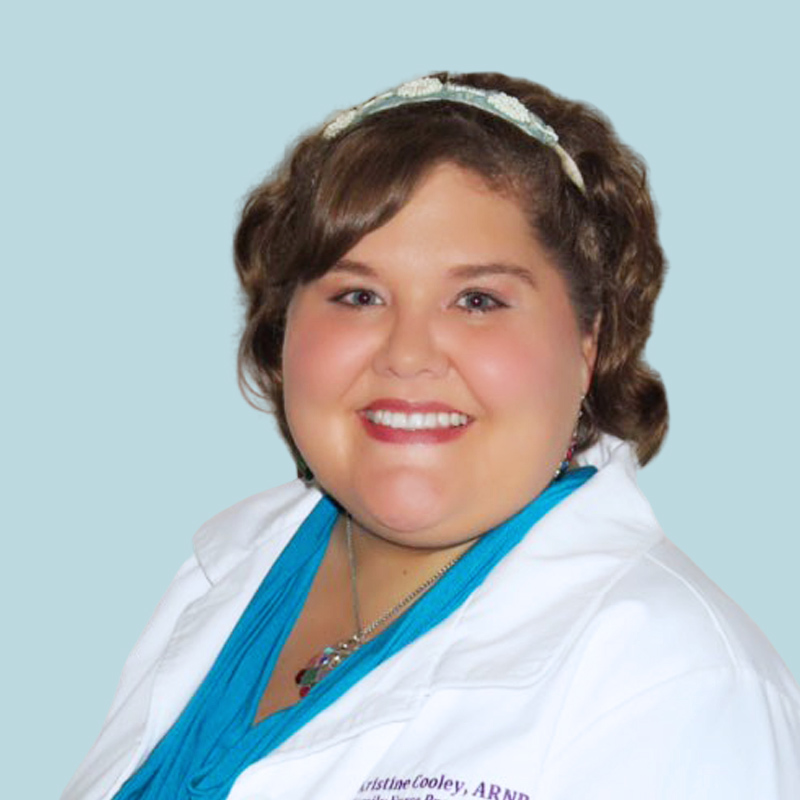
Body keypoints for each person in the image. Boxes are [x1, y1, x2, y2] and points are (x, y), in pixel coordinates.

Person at [62, 72, 800, 800]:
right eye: (358, 295)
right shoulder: (224, 573)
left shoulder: (676, 683)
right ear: (283, 329)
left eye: (477, 300)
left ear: (588, 341)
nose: (407, 354)